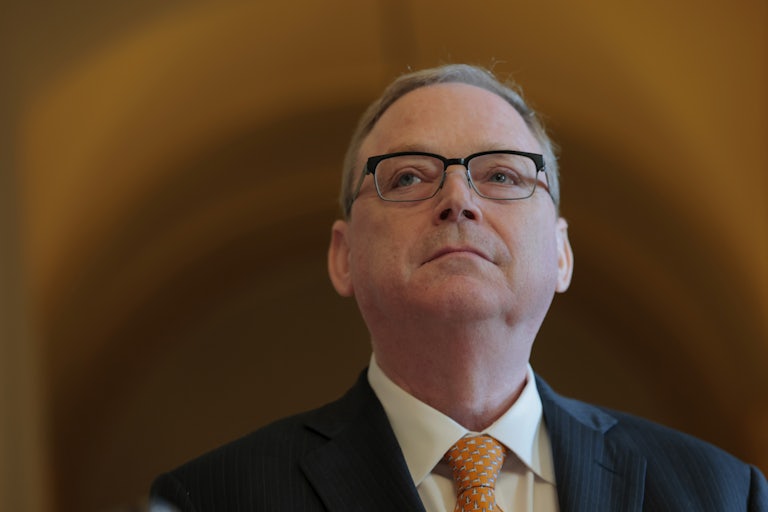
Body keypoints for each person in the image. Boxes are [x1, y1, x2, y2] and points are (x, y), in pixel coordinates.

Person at [150, 64, 767, 511]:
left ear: (560, 254)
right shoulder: (210, 499)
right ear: (344, 257)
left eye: (501, 175)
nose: (457, 199)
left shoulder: (722, 495)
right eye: (408, 177)